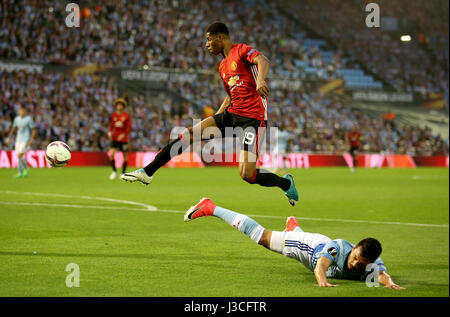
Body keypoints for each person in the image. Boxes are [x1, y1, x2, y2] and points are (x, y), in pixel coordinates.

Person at [121, 22, 299, 206]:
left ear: (220, 37)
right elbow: (230, 96)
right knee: (189, 134)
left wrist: (260, 79)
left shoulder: (242, 50)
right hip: (232, 114)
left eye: (208, 39)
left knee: (247, 174)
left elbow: (263, 60)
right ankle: (147, 172)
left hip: (253, 120)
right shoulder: (222, 67)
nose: (207, 44)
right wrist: (215, 118)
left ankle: (286, 183)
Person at [184, 198, 405, 289]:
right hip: (308, 247)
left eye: (361, 263)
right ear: (354, 248)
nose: (355, 264)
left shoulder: (371, 262)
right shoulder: (337, 248)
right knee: (262, 237)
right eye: (355, 258)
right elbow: (320, 267)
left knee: (291, 235)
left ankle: (292, 227)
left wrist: (389, 283)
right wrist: (322, 282)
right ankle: (211, 207)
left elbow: (382, 274)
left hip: (312, 242)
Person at [5, 106, 36, 178]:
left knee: (19, 155)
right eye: (20, 111)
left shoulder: (29, 119)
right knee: (19, 156)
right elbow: (13, 129)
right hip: (18, 139)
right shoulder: (17, 119)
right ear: (19, 111)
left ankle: (25, 168)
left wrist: (31, 139)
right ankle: (20, 172)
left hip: (26, 139)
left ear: (25, 111)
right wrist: (9, 138)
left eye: (23, 111)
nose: (21, 112)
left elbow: (33, 130)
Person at [108, 97, 132, 180]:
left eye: (120, 105)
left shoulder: (126, 116)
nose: (119, 106)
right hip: (114, 138)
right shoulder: (113, 115)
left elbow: (129, 128)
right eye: (118, 105)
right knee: (111, 154)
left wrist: (124, 134)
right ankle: (114, 171)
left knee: (125, 157)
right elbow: (111, 126)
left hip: (123, 139)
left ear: (123, 106)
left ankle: (123, 173)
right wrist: (109, 132)